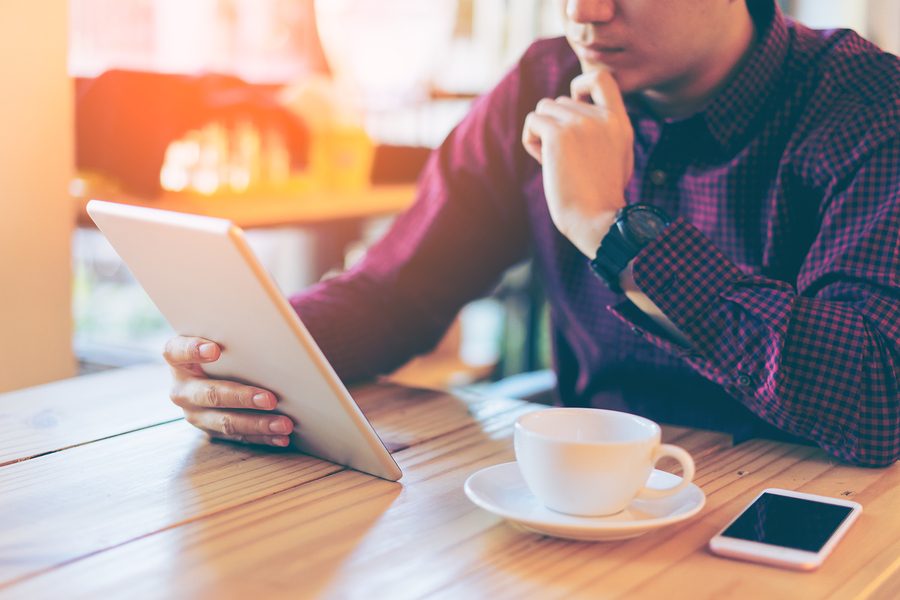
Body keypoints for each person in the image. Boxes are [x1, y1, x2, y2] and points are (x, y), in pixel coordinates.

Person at [164, 0, 899, 466]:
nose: (584, 12)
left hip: (802, 515)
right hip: (578, 503)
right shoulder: (540, 81)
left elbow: (873, 396)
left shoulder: (866, 105)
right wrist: (246, 357)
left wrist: (614, 231)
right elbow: (397, 291)